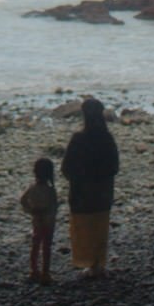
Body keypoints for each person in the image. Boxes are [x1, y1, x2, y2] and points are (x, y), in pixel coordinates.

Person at [61, 97, 120, 279]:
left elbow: (66, 167)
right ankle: (98, 263)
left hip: (81, 192)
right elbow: (114, 166)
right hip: (102, 191)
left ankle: (87, 261)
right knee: (99, 226)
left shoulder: (78, 138)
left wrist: (77, 179)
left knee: (83, 226)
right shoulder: (107, 138)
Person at [20, 157, 59, 284]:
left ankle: (34, 270)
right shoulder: (50, 190)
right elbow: (54, 206)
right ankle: (45, 273)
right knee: (46, 247)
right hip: (48, 222)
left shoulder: (32, 188)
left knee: (35, 245)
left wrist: (31, 210)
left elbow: (23, 200)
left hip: (36, 220)